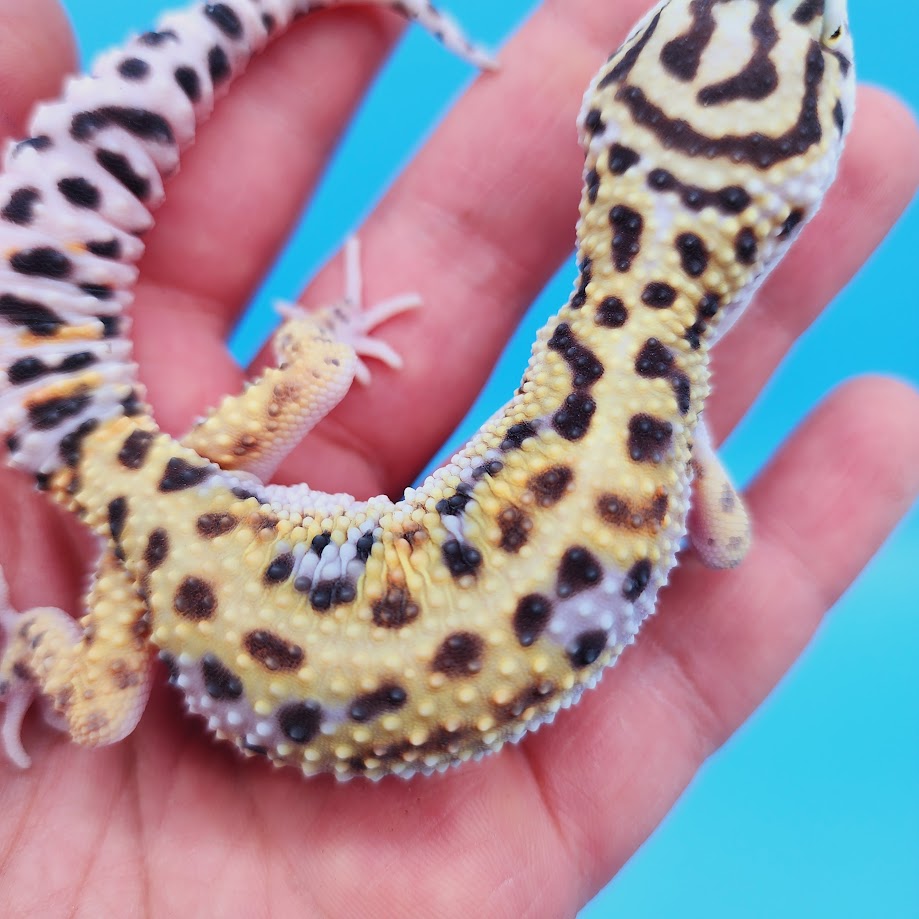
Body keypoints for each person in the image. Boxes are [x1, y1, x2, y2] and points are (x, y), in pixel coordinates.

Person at [0, 1, 916, 914]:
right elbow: (723, 541)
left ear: (605, 115)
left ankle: (309, 366)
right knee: (100, 707)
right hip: (222, 603)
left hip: (213, 559)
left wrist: (317, 359)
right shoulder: (629, 388)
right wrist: (689, 438)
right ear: (789, 203)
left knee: (102, 705)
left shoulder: (584, 359)